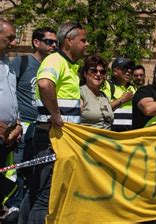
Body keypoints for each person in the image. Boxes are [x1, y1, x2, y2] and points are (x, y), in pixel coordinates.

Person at [19, 22, 87, 224]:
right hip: (52, 140)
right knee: (46, 196)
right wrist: (56, 114)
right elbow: (44, 83)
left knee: (36, 192)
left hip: (55, 139)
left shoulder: (67, 64)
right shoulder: (55, 60)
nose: (86, 44)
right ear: (69, 40)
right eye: (83, 40)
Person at [5, 27, 57, 222]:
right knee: (16, 169)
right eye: (49, 42)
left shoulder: (53, 66)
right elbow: (10, 90)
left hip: (43, 129)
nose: (53, 46)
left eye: (55, 42)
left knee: (36, 174)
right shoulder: (23, 62)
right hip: (22, 127)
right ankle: (13, 209)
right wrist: (16, 121)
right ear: (36, 42)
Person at [0, 19, 22, 208]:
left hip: (8, 137)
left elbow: (11, 97)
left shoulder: (8, 63)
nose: (14, 42)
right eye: (10, 38)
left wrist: (17, 125)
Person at [79, 55, 114, 129]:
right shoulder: (80, 93)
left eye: (102, 72)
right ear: (85, 73)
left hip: (106, 139)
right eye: (93, 71)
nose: (98, 74)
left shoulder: (104, 96)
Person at [102, 57, 136, 132]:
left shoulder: (133, 88)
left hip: (130, 135)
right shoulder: (107, 85)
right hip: (112, 135)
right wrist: (122, 100)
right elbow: (102, 109)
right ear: (115, 71)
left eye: (131, 68)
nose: (129, 71)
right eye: (125, 68)